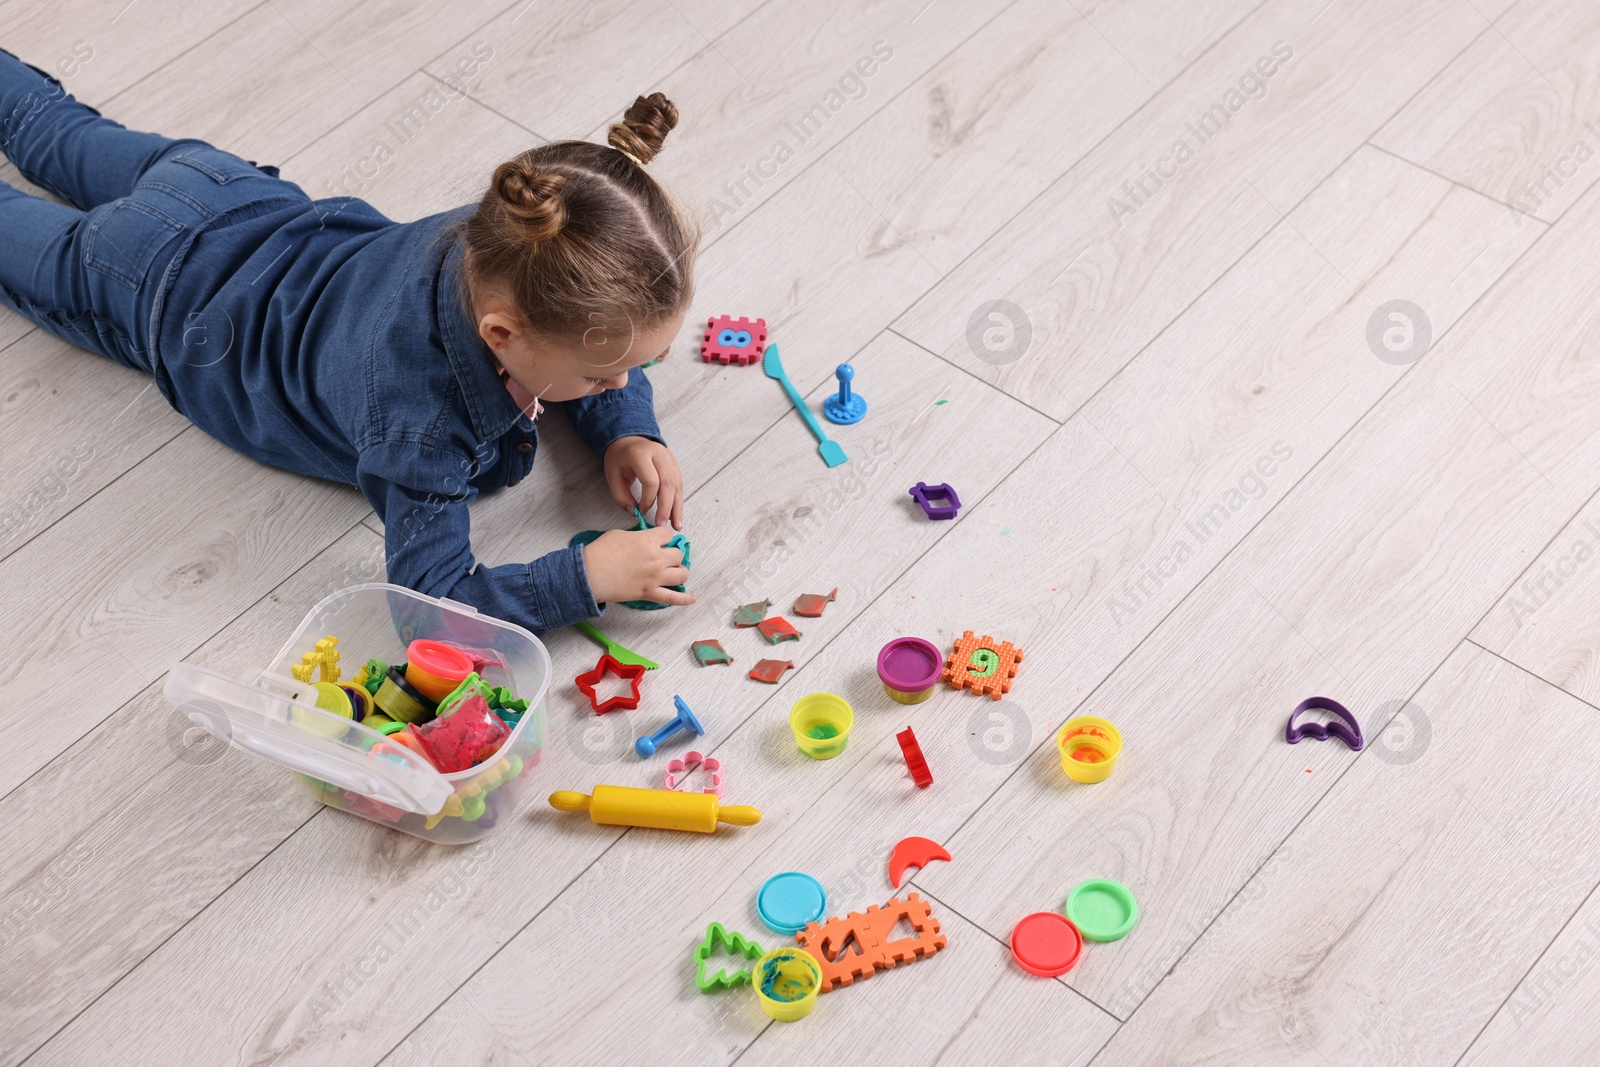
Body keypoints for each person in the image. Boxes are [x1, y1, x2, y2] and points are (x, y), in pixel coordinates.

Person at [0, 46, 698, 633]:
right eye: (604, 377)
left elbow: (580, 334)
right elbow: (431, 608)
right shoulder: (421, 428)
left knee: (48, 125)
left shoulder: (511, 232)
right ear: (501, 334)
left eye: (638, 366)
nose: (623, 384)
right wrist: (583, 577)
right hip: (147, 285)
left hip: (220, 188)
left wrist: (625, 427)